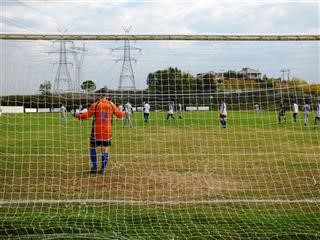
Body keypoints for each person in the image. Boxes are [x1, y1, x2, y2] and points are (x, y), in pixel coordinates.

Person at [73, 88, 125, 174]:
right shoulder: (111, 104)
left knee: (92, 146)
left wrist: (76, 115)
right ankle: (103, 169)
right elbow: (119, 115)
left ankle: (94, 166)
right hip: (107, 131)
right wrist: (125, 112)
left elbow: (86, 116)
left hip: (96, 131)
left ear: (99, 95)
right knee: (105, 149)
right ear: (107, 95)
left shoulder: (96, 104)